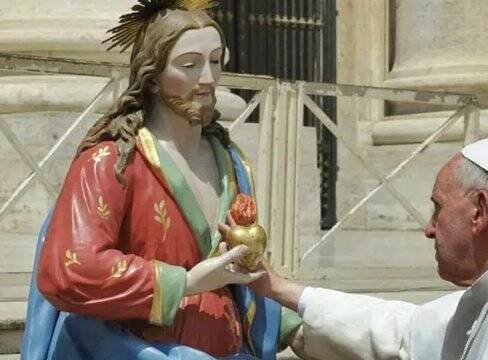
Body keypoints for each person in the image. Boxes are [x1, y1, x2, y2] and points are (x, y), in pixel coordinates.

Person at [21, 1, 301, 359]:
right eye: (189, 65)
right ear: (152, 76)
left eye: (215, 61)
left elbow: (236, 272)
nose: (207, 79)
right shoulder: (111, 161)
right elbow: (69, 268)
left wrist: (293, 324)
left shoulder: (231, 161)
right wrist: (183, 283)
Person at [240, 138, 488, 359]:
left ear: (479, 211)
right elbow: (407, 333)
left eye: (438, 208)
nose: (429, 228)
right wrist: (280, 291)